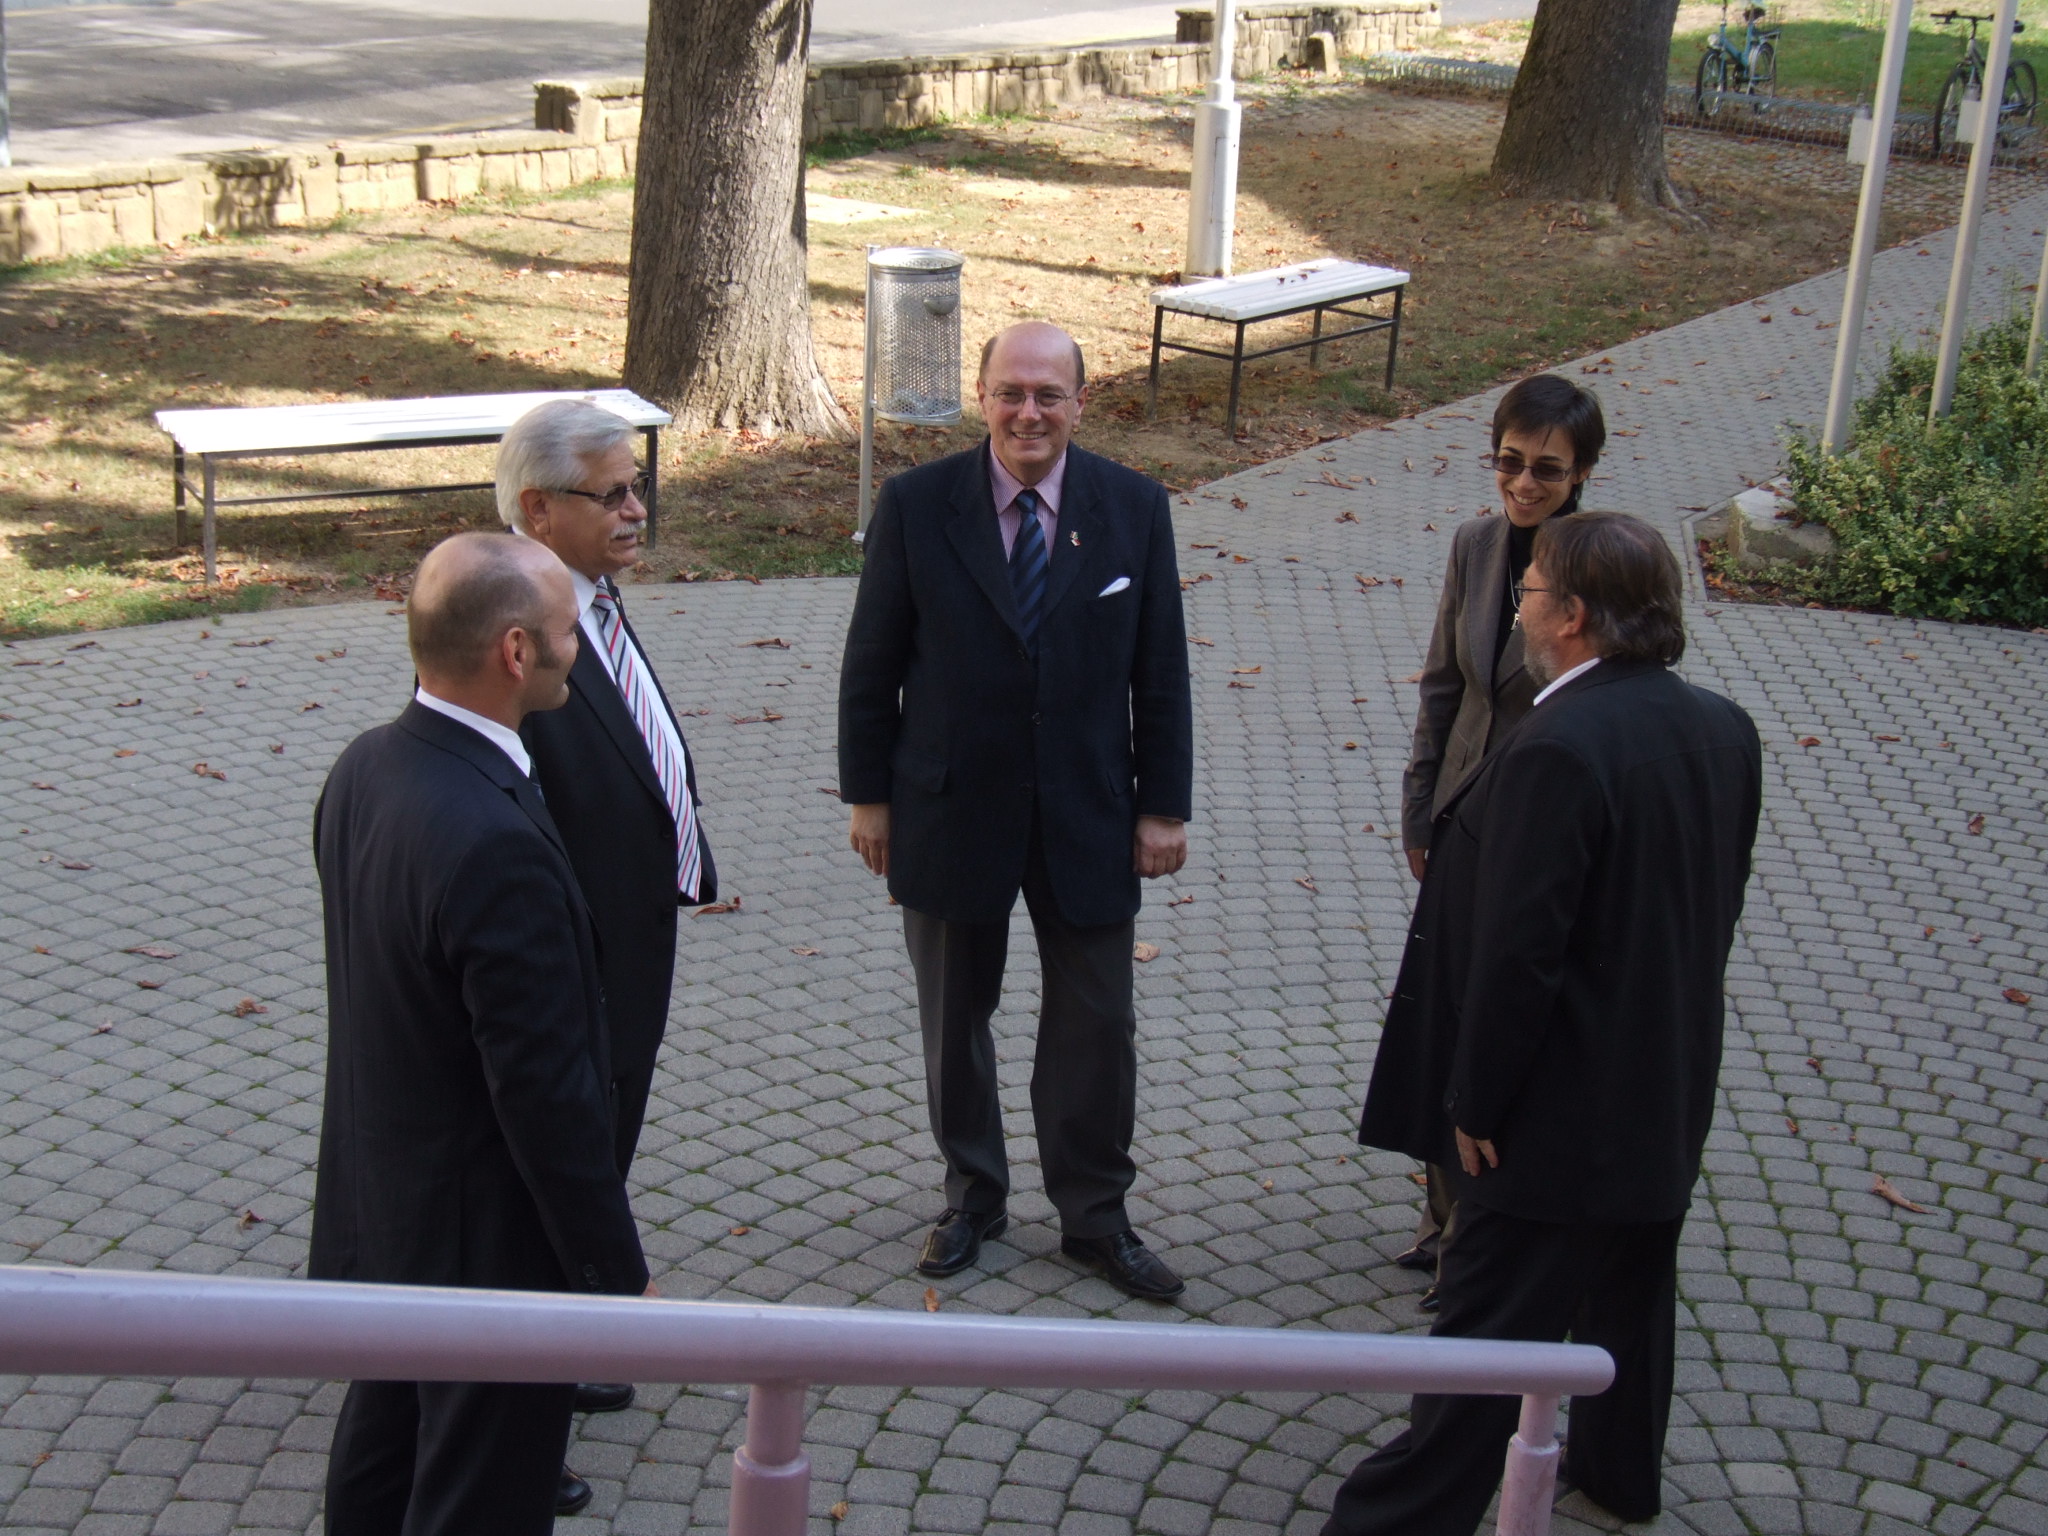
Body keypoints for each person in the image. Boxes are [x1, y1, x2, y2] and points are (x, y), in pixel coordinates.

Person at [1329, 512, 1761, 1536]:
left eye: (1527, 593)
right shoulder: (1722, 727)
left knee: (1487, 1323)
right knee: (1629, 1293)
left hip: (1555, 1112)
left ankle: (1399, 1513)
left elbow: (1518, 956)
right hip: (1665, 1082)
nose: (1516, 609)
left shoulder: (1556, 747)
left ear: (1570, 617)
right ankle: (1619, 1476)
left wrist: (1476, 1103)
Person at [837, 320, 1194, 1300]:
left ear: (1080, 401)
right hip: (948, 807)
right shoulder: (916, 505)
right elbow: (871, 664)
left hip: (1090, 811)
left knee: (1097, 1024)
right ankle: (972, 1198)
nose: (1027, 412)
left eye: (1048, 394)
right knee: (954, 1020)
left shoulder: (1133, 507)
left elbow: (1160, 668)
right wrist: (869, 797)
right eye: (1009, 392)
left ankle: (1096, 1216)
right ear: (982, 396)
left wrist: (1163, 807)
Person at [310, 533, 655, 1536]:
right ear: (515, 652)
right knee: (481, 1497)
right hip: (485, 1256)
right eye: (569, 630)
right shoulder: (495, 841)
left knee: (381, 1460)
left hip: (388, 1214)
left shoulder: (366, 767)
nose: (580, 648)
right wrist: (613, 1273)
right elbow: (543, 1093)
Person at [502, 399, 717, 1499]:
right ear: (539, 510)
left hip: (631, 932)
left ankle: (575, 1330)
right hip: (573, 951)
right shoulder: (518, 630)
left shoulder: (593, 599)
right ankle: (513, 1412)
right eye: (613, 493)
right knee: (556, 1161)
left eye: (640, 487)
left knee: (604, 1142)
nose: (637, 509)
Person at [1391, 374, 1605, 1290]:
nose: (1523, 483)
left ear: (1582, 472)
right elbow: (1444, 683)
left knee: (1501, 1023)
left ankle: (1487, 1233)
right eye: (1509, 462)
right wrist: (1420, 806)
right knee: (1445, 1015)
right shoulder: (1476, 546)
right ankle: (1442, 1216)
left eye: (1546, 470)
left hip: (1539, 825)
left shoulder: (1600, 561)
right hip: (1460, 814)